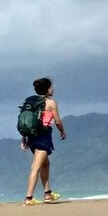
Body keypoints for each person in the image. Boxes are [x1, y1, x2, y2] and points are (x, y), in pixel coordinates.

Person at [20, 76, 66, 205]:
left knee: (45, 164)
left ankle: (48, 194)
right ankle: (29, 198)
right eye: (51, 86)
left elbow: (26, 122)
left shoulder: (31, 102)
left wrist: (24, 139)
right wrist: (62, 132)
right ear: (47, 89)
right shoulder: (51, 103)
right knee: (36, 167)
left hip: (31, 138)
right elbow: (57, 121)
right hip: (43, 137)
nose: (53, 89)